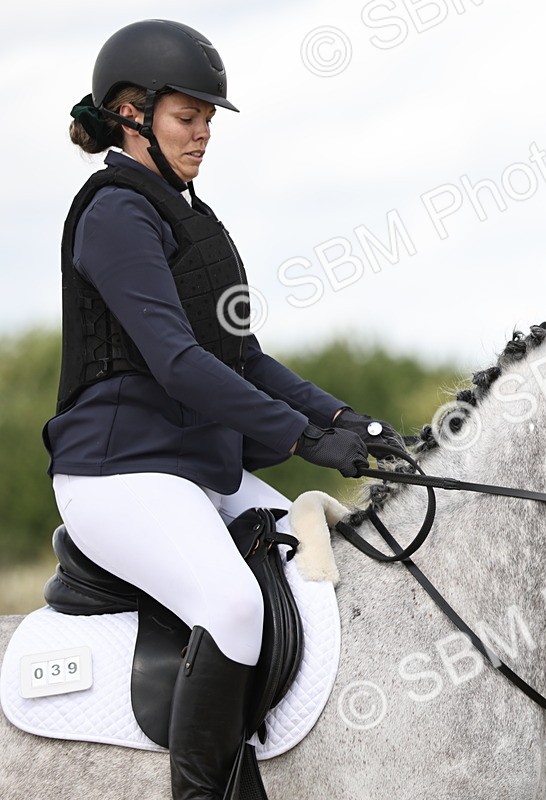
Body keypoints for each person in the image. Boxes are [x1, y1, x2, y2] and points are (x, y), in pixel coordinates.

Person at [45, 19, 398, 799]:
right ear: (131, 114)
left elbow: (245, 358)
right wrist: (303, 439)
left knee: (323, 574)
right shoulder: (113, 212)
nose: (204, 134)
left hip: (199, 465)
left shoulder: (189, 217)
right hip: (118, 474)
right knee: (235, 604)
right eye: (187, 117)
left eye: (209, 120)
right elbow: (177, 364)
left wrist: (349, 422)